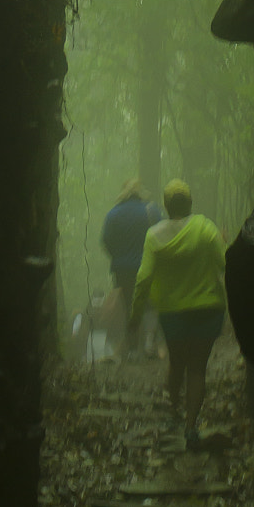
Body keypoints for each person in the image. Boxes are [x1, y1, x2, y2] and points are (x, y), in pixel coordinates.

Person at [129, 179, 227, 451]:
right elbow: (223, 263)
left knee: (176, 362)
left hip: (173, 314)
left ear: (166, 205)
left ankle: (174, 412)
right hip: (208, 309)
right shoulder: (205, 228)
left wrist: (135, 314)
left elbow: (143, 278)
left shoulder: (154, 236)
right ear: (190, 203)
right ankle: (191, 427)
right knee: (197, 369)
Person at [99, 179, 160, 358]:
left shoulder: (113, 214)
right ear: (140, 192)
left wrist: (118, 257)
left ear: (123, 192)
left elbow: (106, 242)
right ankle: (149, 343)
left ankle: (133, 350)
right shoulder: (151, 210)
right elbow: (162, 233)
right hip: (148, 266)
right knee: (150, 304)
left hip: (123, 269)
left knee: (129, 308)